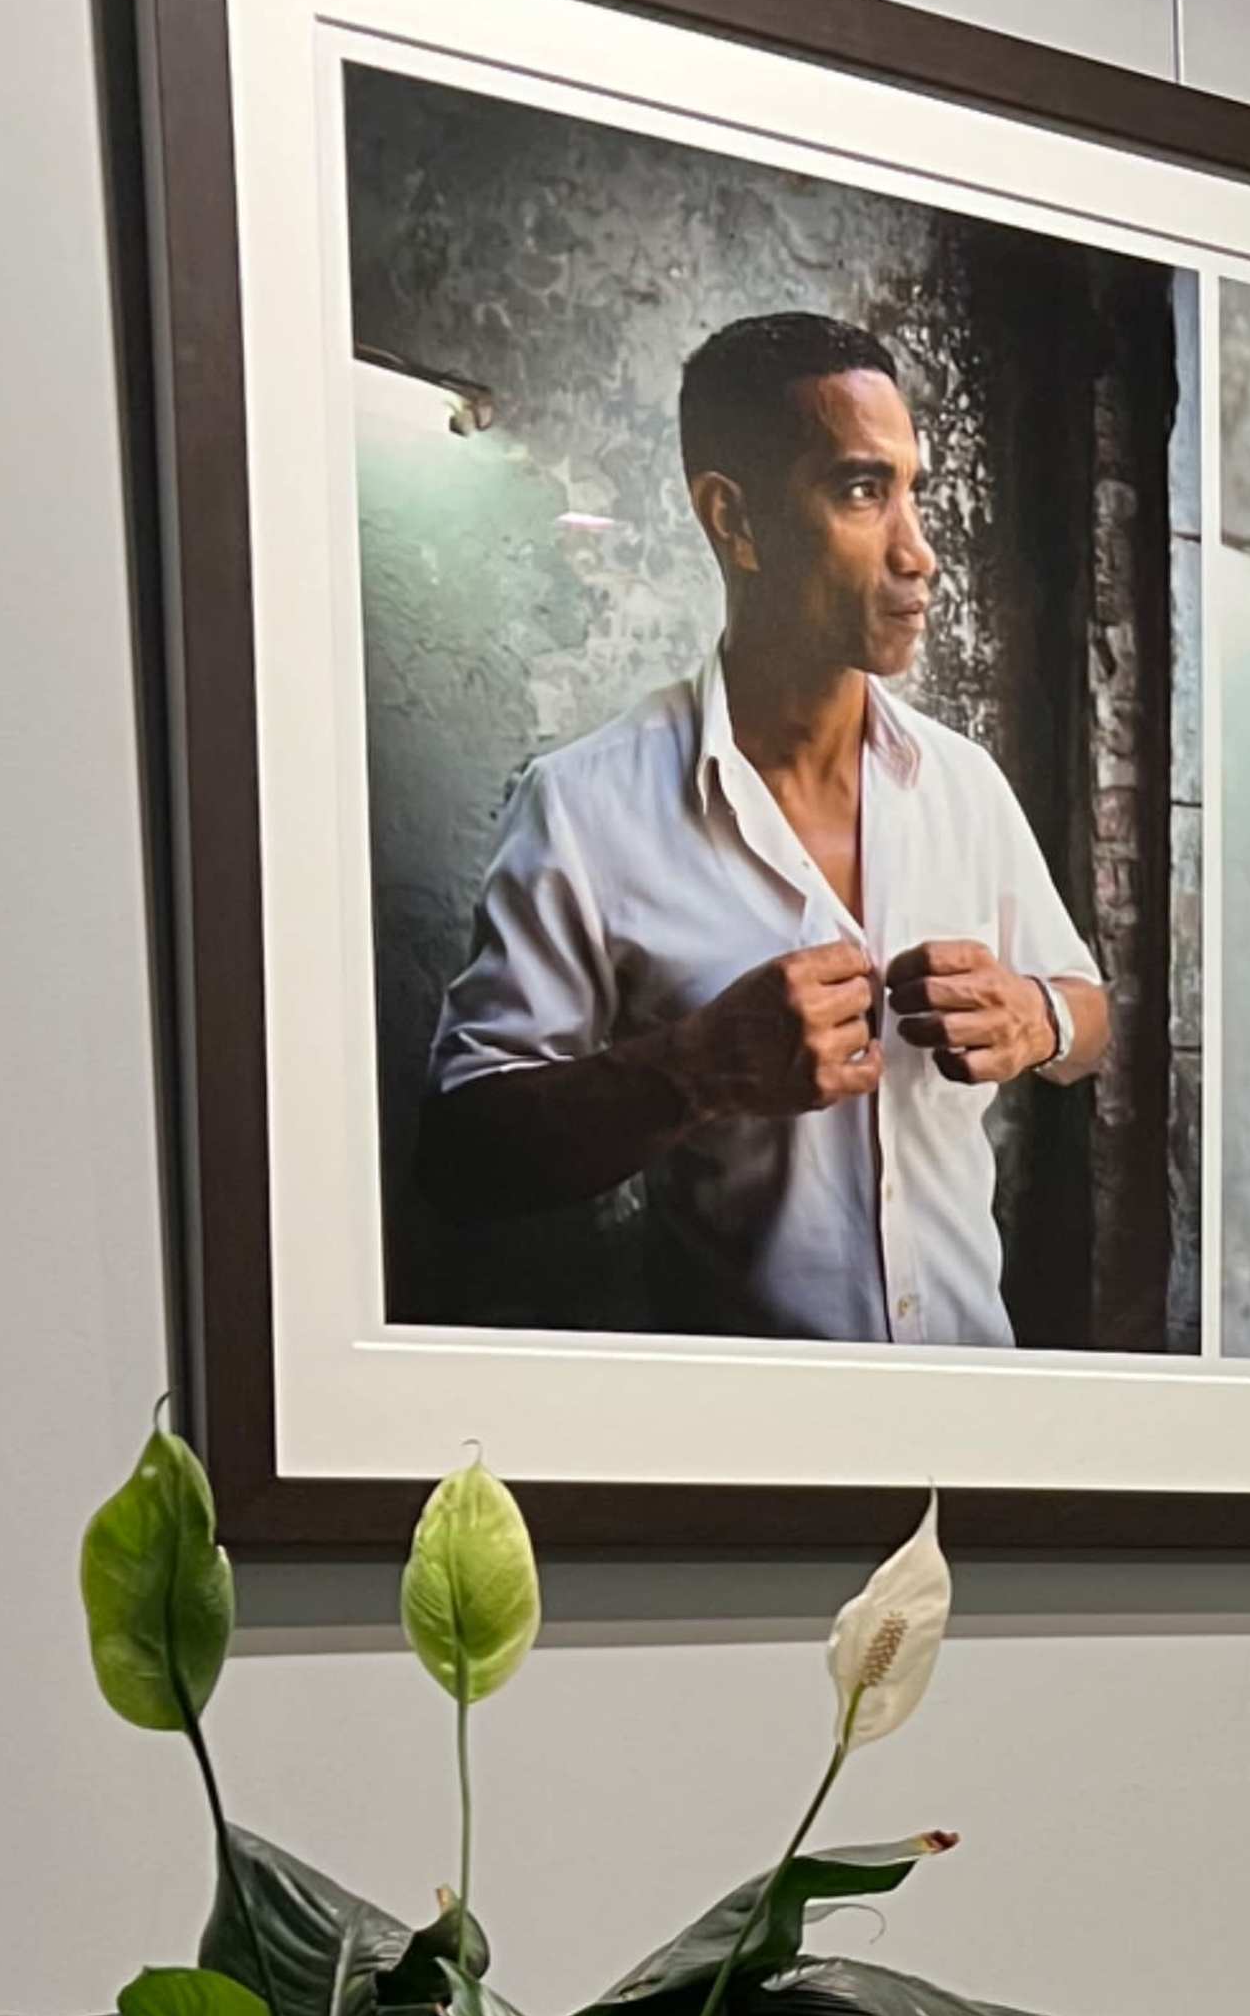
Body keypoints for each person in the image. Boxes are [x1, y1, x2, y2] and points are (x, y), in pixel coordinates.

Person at [417, 311, 1105, 1344]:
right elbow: (460, 1158)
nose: (919, 552)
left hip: (982, 1431)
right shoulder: (586, 806)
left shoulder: (964, 786)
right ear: (732, 522)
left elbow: (1089, 1016)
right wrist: (695, 1068)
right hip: (755, 1466)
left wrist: (1034, 1018)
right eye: (862, 491)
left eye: (911, 490)